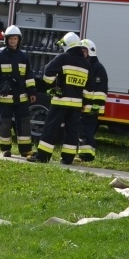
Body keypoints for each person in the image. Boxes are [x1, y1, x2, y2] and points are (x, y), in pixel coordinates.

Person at [29, 32, 90, 164]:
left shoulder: (63, 58)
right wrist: (84, 102)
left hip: (60, 101)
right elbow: (87, 88)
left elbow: (48, 71)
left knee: (51, 128)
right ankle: (68, 159)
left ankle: (42, 157)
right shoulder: (86, 64)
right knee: (72, 131)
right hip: (76, 104)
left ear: (67, 45)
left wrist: (52, 87)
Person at [0, 25, 37, 157]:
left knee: (24, 123)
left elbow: (29, 75)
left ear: (19, 40)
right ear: (6, 40)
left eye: (15, 38)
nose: (13, 41)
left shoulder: (24, 56)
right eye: (11, 39)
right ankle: (5, 149)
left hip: (22, 97)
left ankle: (25, 150)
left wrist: (32, 92)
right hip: (5, 97)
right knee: (5, 123)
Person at [78, 38, 108, 162]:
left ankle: (87, 155)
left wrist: (96, 105)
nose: (81, 53)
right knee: (84, 130)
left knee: (86, 130)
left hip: (92, 106)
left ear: (90, 52)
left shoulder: (97, 67)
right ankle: (84, 154)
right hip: (85, 105)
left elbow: (101, 89)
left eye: (84, 51)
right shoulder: (87, 66)